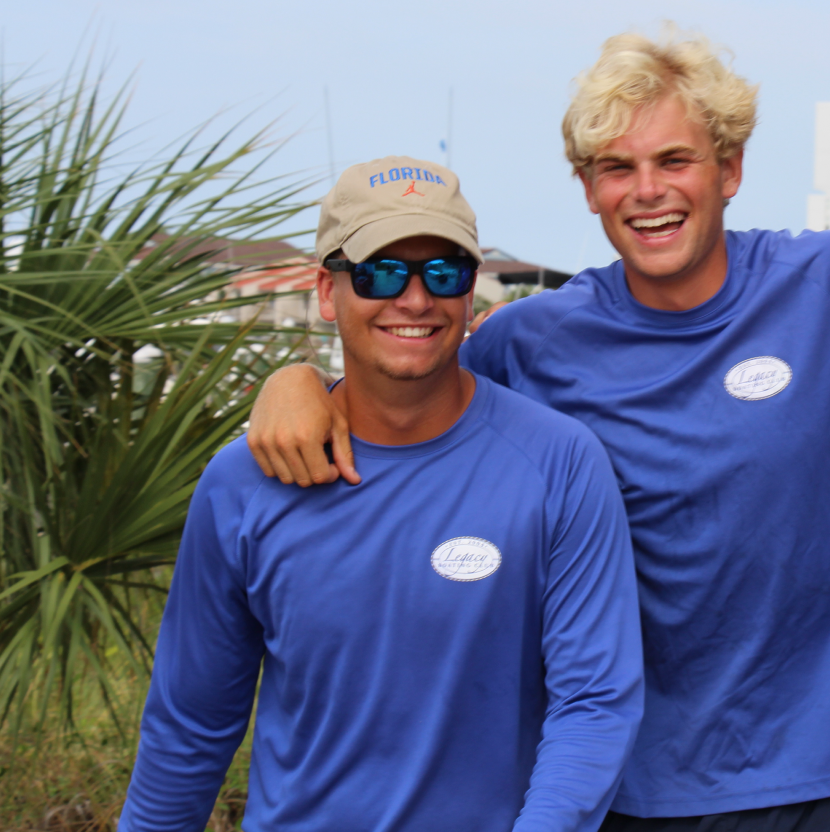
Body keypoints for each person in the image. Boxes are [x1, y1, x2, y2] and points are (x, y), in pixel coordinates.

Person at [245, 33, 830, 831]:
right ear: (587, 189)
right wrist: (298, 382)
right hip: (631, 783)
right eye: (617, 168)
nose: (647, 191)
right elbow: (403, 391)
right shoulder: (534, 341)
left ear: (731, 168)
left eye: (675, 160)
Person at [118, 157, 644, 832]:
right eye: (381, 272)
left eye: (444, 272)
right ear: (327, 290)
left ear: (471, 290)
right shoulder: (244, 481)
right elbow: (190, 723)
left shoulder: (561, 463)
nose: (416, 299)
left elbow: (594, 703)